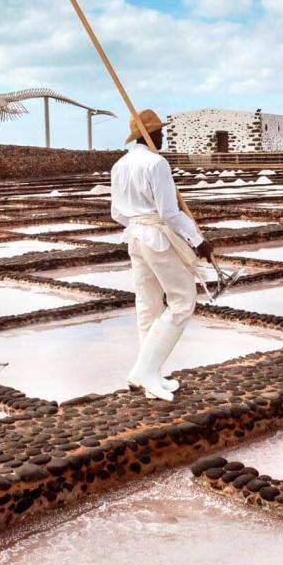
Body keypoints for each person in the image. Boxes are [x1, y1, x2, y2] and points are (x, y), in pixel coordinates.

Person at [110, 109, 214, 402]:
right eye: (160, 131)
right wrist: (198, 240)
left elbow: (116, 213)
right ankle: (144, 371)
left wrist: (140, 221)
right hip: (156, 239)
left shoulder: (119, 165)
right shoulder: (157, 164)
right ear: (149, 134)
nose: (163, 135)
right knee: (182, 301)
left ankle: (150, 375)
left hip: (135, 238)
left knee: (149, 305)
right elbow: (169, 213)